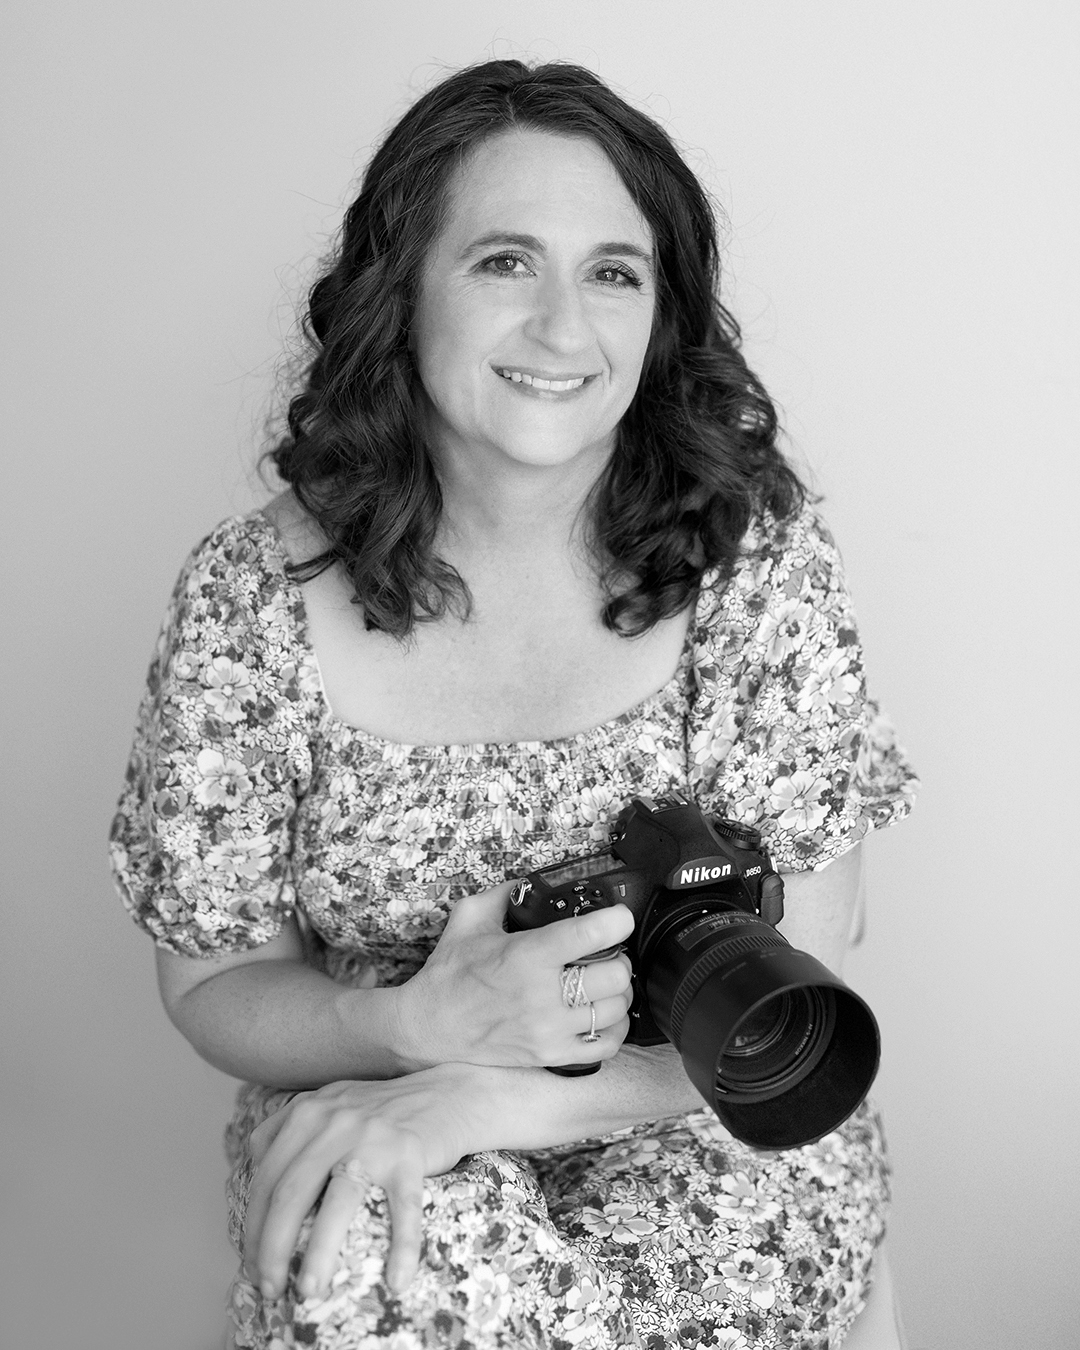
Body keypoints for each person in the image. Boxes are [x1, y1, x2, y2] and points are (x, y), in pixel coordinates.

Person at [110, 60, 918, 1350]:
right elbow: (216, 983)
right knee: (380, 1264)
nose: (563, 329)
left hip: (705, 1111)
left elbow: (805, 968)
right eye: (503, 262)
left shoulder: (750, 563)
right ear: (401, 294)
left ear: (663, 318)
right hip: (383, 1095)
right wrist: (405, 1029)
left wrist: (493, 1099)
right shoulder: (256, 600)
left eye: (615, 270)